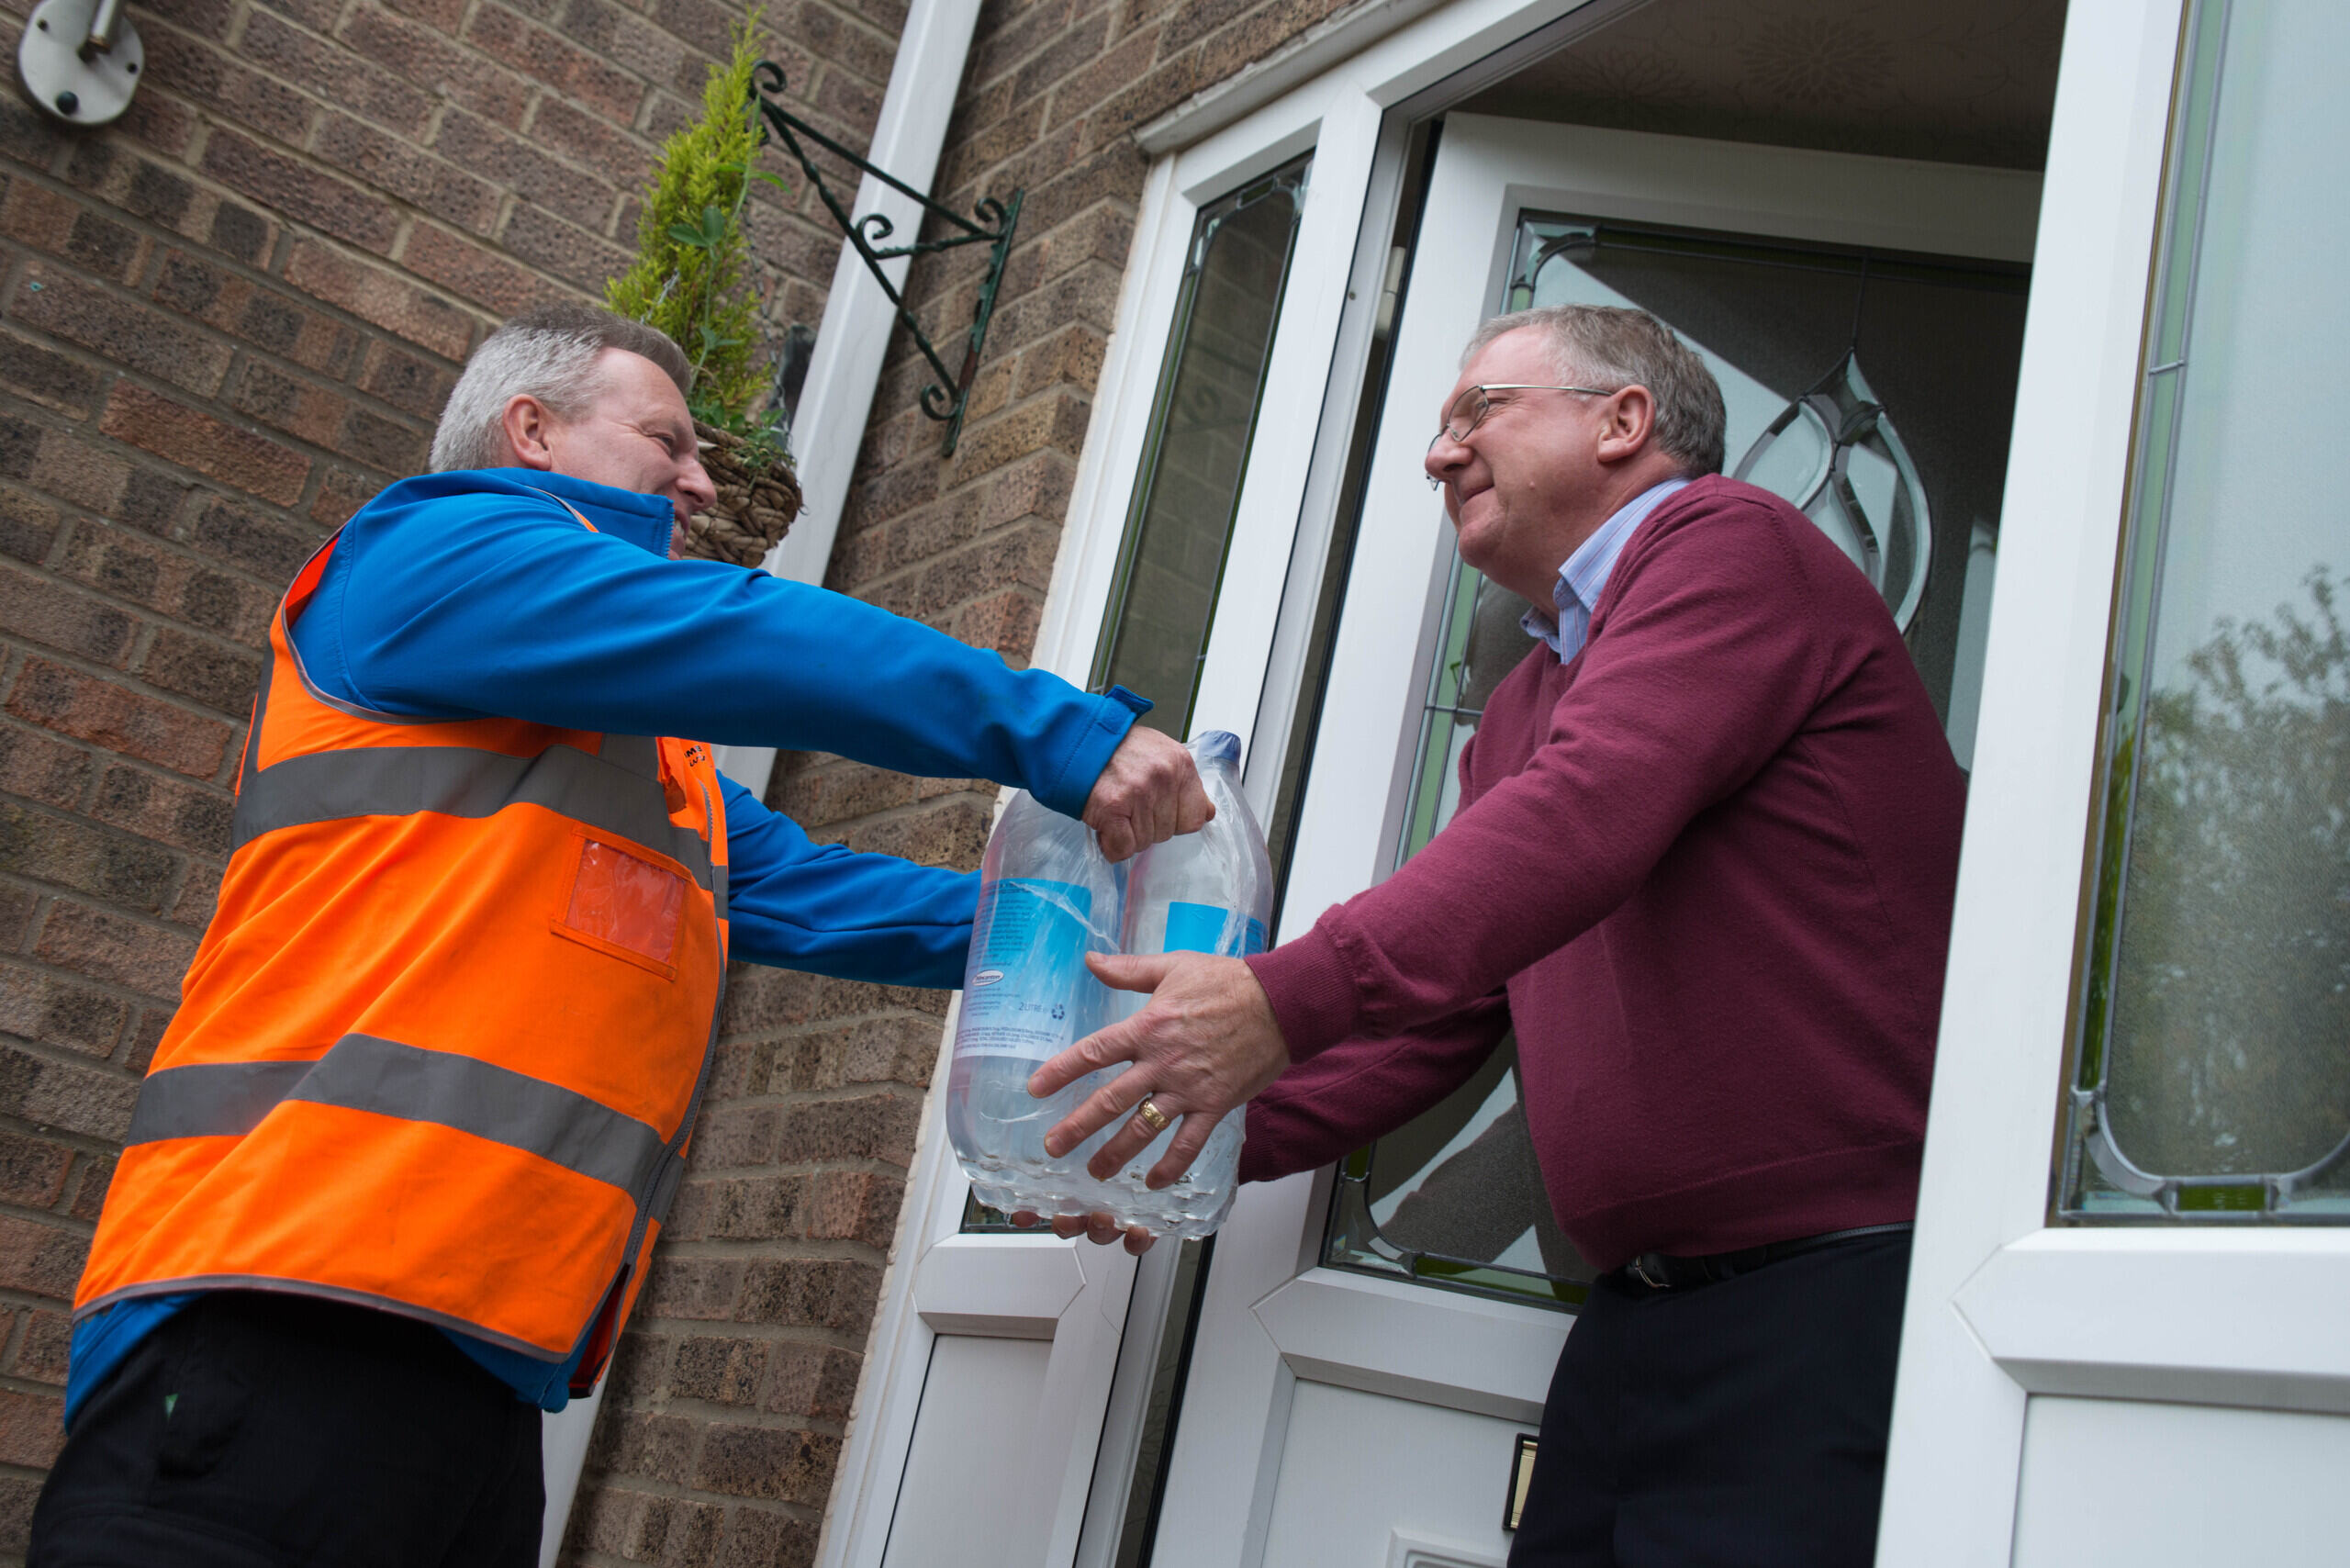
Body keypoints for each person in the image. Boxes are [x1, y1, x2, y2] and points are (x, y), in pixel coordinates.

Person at [28, 303, 1210, 1566]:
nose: (702, 480)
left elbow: (825, 894)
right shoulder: (430, 554)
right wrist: (1066, 736)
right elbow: (741, 630)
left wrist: (1135, 962)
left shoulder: (646, 772)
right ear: (529, 431)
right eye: (669, 441)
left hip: (480, 1369)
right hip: (269, 1325)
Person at [1027, 305, 1965, 1564]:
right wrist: (1172, 1143)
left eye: (1479, 411)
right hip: (1638, 1319)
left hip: (1838, 1292)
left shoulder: (1726, 546)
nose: (1437, 454)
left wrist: (1277, 997)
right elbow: (1437, 1023)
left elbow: (1587, 816)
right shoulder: (1524, 706)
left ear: (1623, 421)